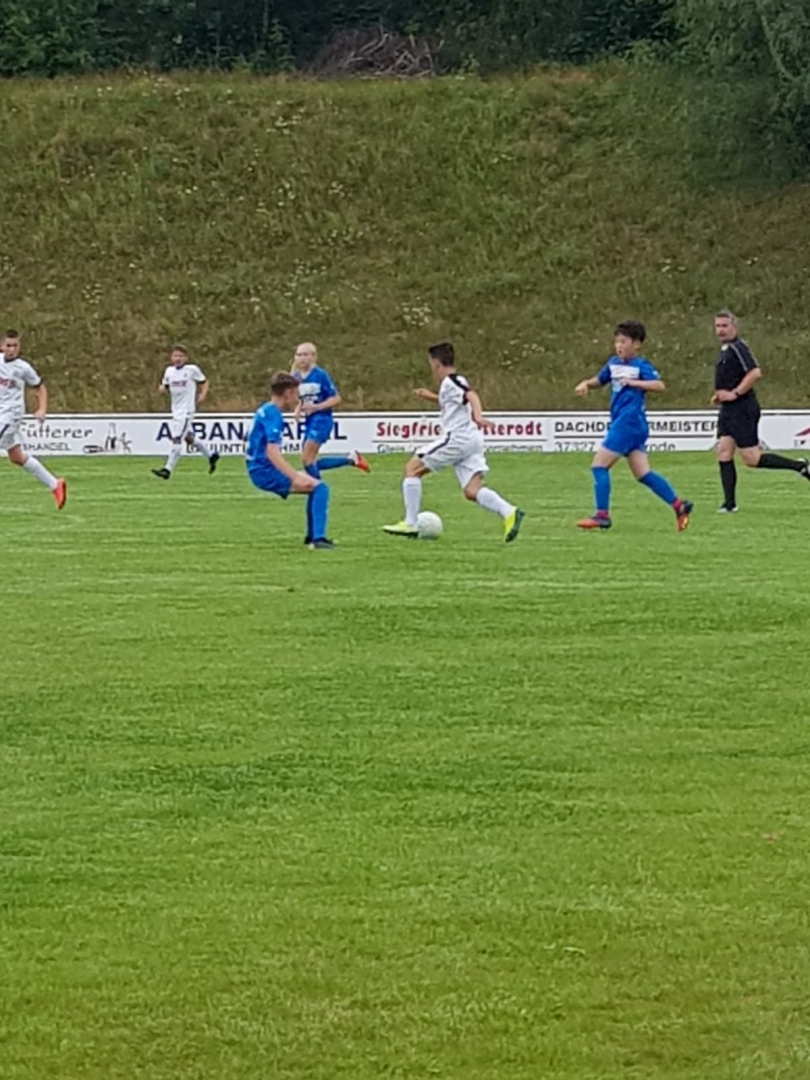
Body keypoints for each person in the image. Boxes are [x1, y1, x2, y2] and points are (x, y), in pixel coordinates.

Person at [383, 342, 524, 541]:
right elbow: (454, 400)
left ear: (436, 363)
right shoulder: (451, 385)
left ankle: (410, 523)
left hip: (458, 439)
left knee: (412, 469)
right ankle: (509, 512)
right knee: (471, 490)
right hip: (471, 440)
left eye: (430, 364)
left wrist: (478, 416)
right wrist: (431, 397)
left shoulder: (452, 381)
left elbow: (471, 395)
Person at [575, 320, 692, 531]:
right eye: (617, 342)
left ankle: (602, 515)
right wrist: (586, 383)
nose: (619, 346)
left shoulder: (640, 366)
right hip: (631, 424)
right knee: (643, 474)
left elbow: (659, 385)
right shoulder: (613, 363)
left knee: (599, 466)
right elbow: (600, 380)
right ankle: (678, 505)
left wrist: (636, 383)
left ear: (636, 344)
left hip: (628, 422)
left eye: (624, 342)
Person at [712, 310, 810, 512]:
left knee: (752, 458)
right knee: (723, 451)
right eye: (718, 326)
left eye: (725, 326)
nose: (721, 330)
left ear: (734, 327)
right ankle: (729, 504)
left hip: (742, 408)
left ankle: (800, 466)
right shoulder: (725, 349)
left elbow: (755, 372)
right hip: (728, 409)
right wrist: (720, 395)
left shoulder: (738, 347)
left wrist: (735, 393)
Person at [245, 371, 335, 550]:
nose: (297, 398)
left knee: (315, 487)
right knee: (320, 488)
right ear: (287, 393)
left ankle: (313, 537)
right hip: (264, 471)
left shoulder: (265, 409)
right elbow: (271, 451)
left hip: (258, 467)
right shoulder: (274, 416)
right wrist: (294, 476)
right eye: (295, 393)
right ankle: (317, 539)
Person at [0, 330, 66, 509]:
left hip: (11, 414)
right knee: (17, 457)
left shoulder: (23, 368)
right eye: (8, 346)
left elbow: (39, 387)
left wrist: (42, 409)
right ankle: (55, 484)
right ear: (2, 346)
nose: (12, 349)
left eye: (15, 346)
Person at [291, 341, 369, 478]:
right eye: (299, 355)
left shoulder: (320, 375)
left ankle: (318, 488)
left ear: (313, 356)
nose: (302, 358)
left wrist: (316, 407)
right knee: (309, 462)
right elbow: (300, 398)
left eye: (305, 355)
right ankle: (351, 460)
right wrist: (298, 408)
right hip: (309, 421)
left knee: (306, 459)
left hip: (322, 420)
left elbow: (336, 398)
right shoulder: (295, 377)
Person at [152, 345, 219, 480]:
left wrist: (203, 394)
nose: (178, 359)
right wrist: (162, 389)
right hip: (175, 410)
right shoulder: (169, 371)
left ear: (185, 358)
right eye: (175, 356)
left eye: (181, 356)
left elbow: (204, 382)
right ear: (171, 358)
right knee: (189, 438)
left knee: (177, 439)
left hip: (186, 411)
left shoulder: (191, 370)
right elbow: (165, 386)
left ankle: (167, 469)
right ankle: (211, 455)